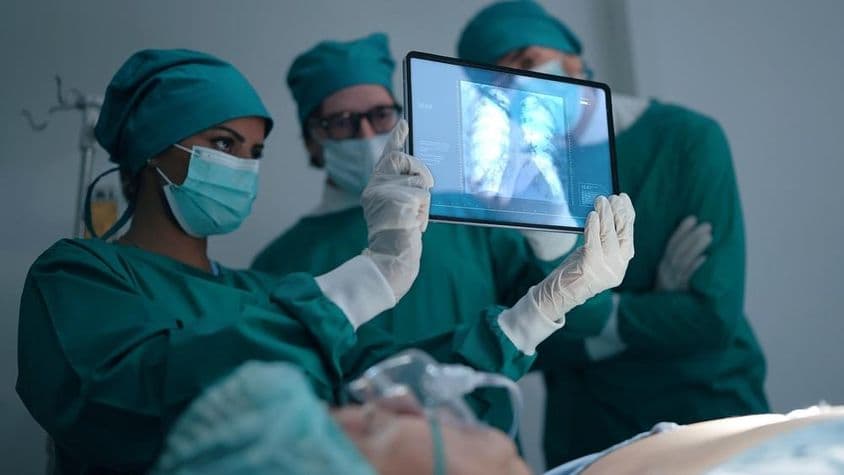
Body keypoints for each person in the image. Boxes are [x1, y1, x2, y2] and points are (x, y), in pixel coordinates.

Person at [17, 47, 635, 473]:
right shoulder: (77, 277)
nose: (242, 165)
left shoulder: (261, 291)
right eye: (222, 144)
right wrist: (368, 276)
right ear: (152, 149)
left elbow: (386, 389)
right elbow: (127, 401)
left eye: (255, 150)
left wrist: (541, 308)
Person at [457, 0, 769, 465]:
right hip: (589, 430)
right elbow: (526, 342)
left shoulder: (687, 140)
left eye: (526, 60)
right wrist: (650, 310)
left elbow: (710, 321)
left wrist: (586, 315)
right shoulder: (505, 184)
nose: (521, 83)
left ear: (574, 55)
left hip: (707, 406)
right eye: (498, 80)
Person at [251, 31, 585, 431]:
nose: (365, 134)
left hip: (483, 448)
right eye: (340, 122)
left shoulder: (462, 216)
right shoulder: (280, 262)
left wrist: (555, 236)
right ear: (312, 141)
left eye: (380, 115)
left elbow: (558, 322)